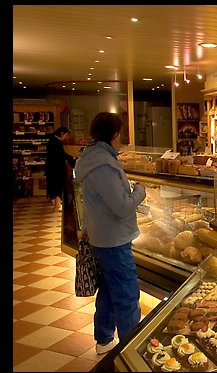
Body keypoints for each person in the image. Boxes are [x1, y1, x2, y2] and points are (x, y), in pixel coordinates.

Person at [74, 112, 146, 355]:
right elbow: (122, 206)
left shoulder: (91, 158)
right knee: (126, 296)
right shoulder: (103, 164)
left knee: (108, 288)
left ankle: (104, 339)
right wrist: (140, 191)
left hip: (100, 236)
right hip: (113, 240)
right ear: (114, 134)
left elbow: (92, 202)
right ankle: (131, 351)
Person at [45, 126, 76, 211]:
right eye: (66, 135)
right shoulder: (55, 142)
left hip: (54, 168)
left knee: (56, 185)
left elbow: (62, 154)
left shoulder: (53, 140)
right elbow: (61, 155)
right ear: (62, 133)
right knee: (57, 185)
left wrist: (71, 157)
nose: (66, 138)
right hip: (56, 169)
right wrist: (71, 158)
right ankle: (57, 205)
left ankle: (57, 204)